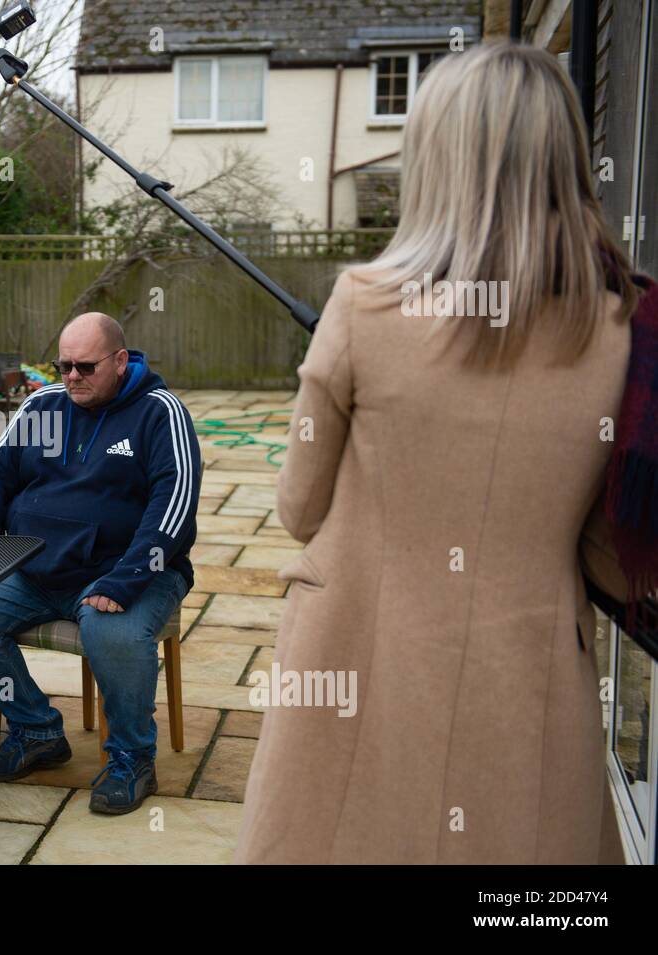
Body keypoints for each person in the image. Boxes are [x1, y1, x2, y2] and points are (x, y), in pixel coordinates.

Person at [233, 42, 648, 863]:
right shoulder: (622, 334)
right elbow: (606, 554)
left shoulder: (364, 306)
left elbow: (298, 508)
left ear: (437, 161)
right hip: (530, 684)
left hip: (359, 669)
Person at [0, 312, 200, 815]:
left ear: (121, 361)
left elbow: (175, 505)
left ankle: (132, 757)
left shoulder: (160, 412)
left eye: (85, 366)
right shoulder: (42, 406)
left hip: (133, 571)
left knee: (112, 632)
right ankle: (36, 729)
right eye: (63, 366)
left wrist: (126, 580)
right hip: (37, 567)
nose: (72, 377)